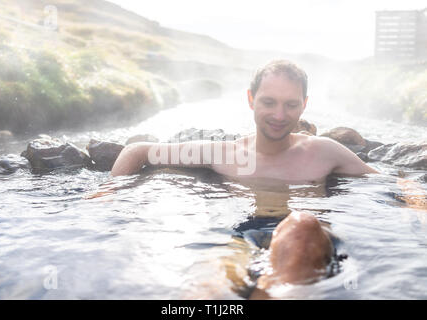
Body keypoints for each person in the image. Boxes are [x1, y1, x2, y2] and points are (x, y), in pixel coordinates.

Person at [110, 60, 380, 298]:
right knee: (206, 285)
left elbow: (387, 181)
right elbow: (138, 150)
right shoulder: (225, 153)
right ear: (251, 100)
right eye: (268, 102)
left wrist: (418, 204)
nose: (279, 115)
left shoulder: (323, 150)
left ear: (304, 105)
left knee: (301, 224)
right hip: (242, 238)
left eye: (291, 104)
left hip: (306, 239)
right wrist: (108, 194)